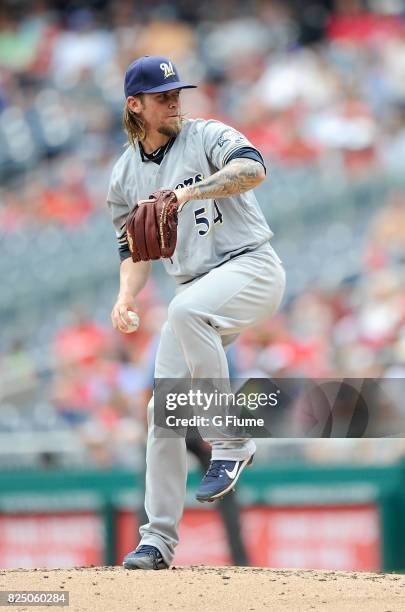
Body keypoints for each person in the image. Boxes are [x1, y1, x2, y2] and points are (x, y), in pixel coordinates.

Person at [107, 55, 286, 570]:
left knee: (185, 311)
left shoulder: (205, 134)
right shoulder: (123, 174)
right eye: (163, 95)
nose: (174, 100)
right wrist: (125, 297)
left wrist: (191, 191)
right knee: (159, 411)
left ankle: (231, 441)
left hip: (251, 267)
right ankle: (157, 541)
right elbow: (134, 249)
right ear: (135, 105)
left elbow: (253, 168)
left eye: (176, 92)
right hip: (197, 290)